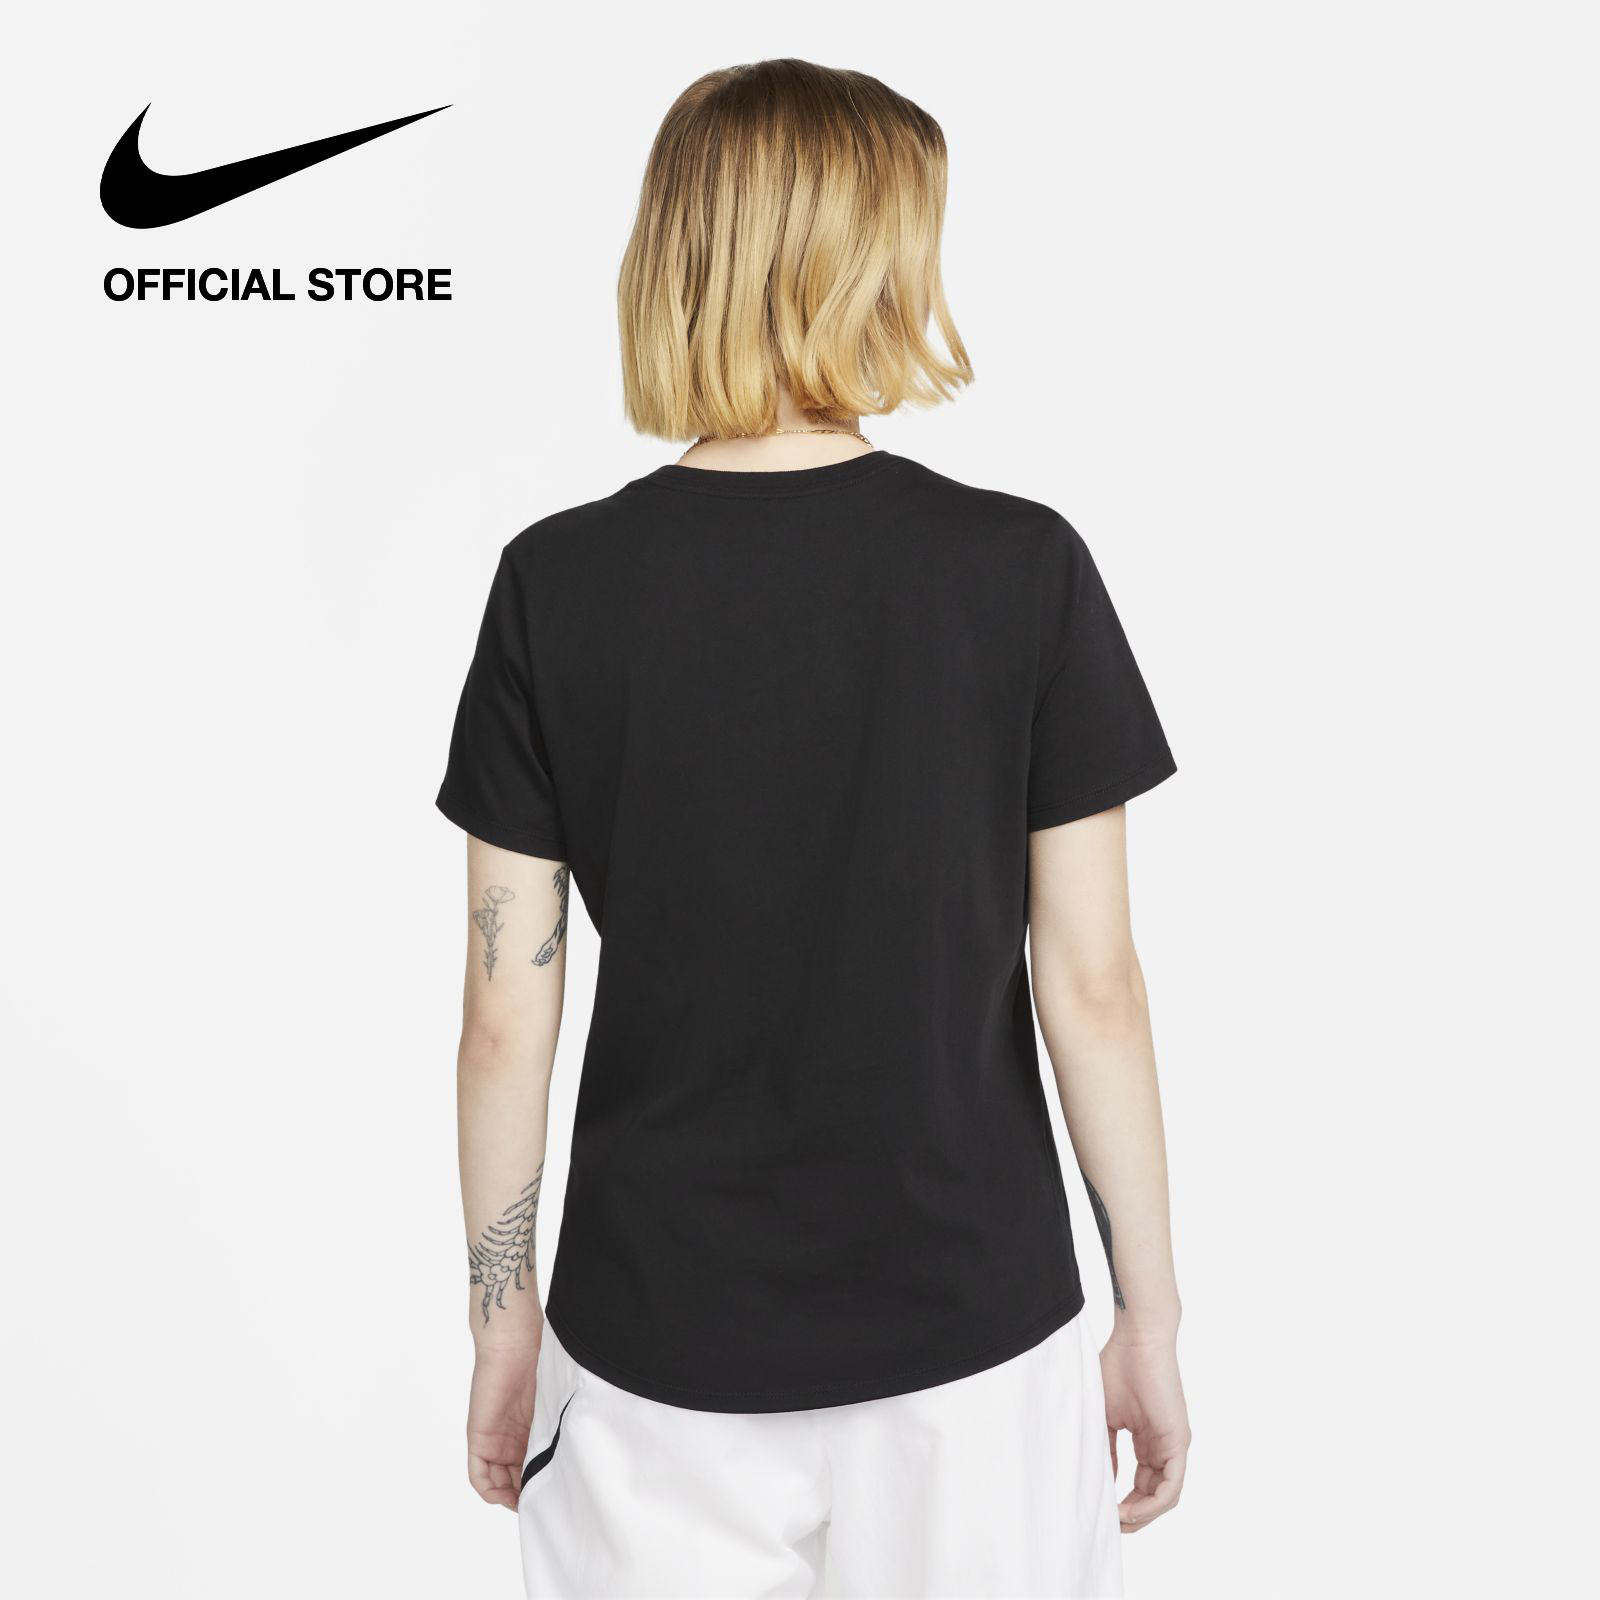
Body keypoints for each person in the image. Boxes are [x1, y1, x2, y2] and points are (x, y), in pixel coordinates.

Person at [438, 57, 1189, 1600]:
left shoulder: (554, 586)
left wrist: (501, 1324)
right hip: (973, 1350)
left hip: (651, 1354)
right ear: (876, 259)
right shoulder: (1019, 569)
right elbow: (1093, 987)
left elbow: (507, 1015)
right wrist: (1151, 1314)